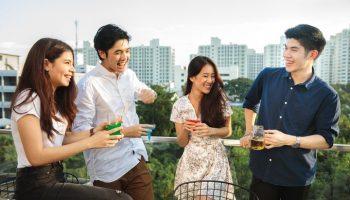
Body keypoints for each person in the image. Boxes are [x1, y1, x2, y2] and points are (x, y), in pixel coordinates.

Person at [11, 38, 132, 200]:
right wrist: (92, 142)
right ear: (46, 64)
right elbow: (36, 156)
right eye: (67, 63)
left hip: (55, 177)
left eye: (72, 64)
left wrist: (93, 131)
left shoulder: (52, 100)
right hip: (36, 186)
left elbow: (62, 138)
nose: (72, 69)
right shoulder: (28, 98)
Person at [240, 24, 341, 200]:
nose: (286, 54)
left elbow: (326, 140)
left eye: (294, 49)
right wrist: (250, 131)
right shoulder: (267, 76)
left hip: (297, 178)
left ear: (312, 54)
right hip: (262, 170)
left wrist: (289, 140)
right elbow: (250, 103)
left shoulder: (327, 95)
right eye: (286, 48)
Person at [72, 24, 157, 200]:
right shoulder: (88, 85)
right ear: (102, 53)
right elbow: (81, 132)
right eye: (118, 52)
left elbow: (143, 91)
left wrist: (150, 94)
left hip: (135, 158)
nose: (124, 57)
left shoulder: (129, 75)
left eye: (127, 51)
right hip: (107, 169)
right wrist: (126, 132)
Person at [170, 56, 234, 199]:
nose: (210, 80)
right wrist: (186, 129)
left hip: (215, 160)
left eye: (212, 76)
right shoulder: (180, 105)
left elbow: (228, 130)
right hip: (191, 163)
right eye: (205, 76)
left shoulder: (220, 100)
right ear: (192, 77)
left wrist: (211, 131)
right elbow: (181, 142)